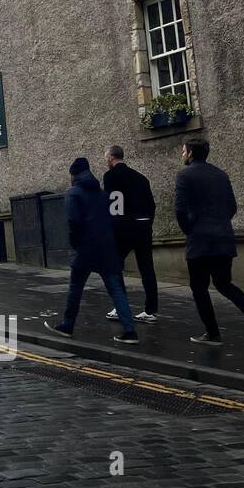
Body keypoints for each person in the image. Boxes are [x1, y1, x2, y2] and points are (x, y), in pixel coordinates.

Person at [174, 136, 244, 345]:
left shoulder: (184, 175)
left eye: (184, 150)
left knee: (199, 287)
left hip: (200, 240)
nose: (182, 154)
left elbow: (179, 209)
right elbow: (232, 207)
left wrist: (190, 229)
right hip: (223, 237)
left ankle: (213, 333)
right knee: (224, 284)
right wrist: (220, 224)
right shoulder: (221, 175)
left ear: (190, 153)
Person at [47, 157, 140, 344]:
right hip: (106, 247)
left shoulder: (73, 193)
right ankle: (130, 331)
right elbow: (111, 220)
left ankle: (67, 324)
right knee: (116, 289)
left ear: (73, 175)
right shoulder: (102, 194)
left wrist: (76, 243)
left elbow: (74, 221)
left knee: (76, 288)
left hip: (87, 248)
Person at [101, 145, 159, 323]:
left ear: (111, 158)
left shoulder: (110, 176)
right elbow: (151, 205)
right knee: (147, 268)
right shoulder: (141, 178)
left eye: (106, 158)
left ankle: (120, 307)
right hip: (143, 227)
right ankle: (151, 311)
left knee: (114, 267)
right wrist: (147, 223)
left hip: (123, 227)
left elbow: (114, 205)